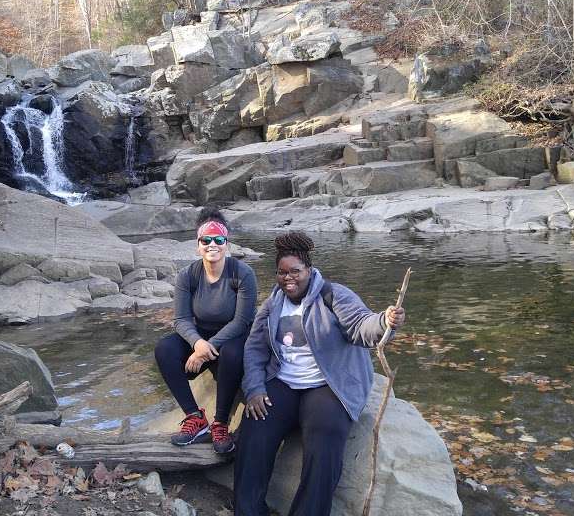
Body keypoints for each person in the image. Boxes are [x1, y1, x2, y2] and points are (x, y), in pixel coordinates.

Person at [234, 231, 405, 516]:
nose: (289, 278)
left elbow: (361, 327)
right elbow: (254, 348)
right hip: (284, 381)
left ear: (309, 270)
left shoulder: (333, 295)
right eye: (282, 272)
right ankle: (248, 510)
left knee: (325, 437)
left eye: (295, 271)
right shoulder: (274, 302)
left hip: (328, 383)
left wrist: (384, 321)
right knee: (254, 429)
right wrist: (254, 388)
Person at [154, 208, 258, 454]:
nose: (213, 245)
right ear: (197, 244)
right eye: (206, 240)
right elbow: (180, 320)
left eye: (219, 239)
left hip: (235, 336)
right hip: (201, 335)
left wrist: (203, 350)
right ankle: (195, 417)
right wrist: (198, 343)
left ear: (227, 243)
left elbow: (242, 321)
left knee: (232, 354)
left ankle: (220, 422)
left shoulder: (242, 273)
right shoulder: (187, 275)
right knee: (164, 349)